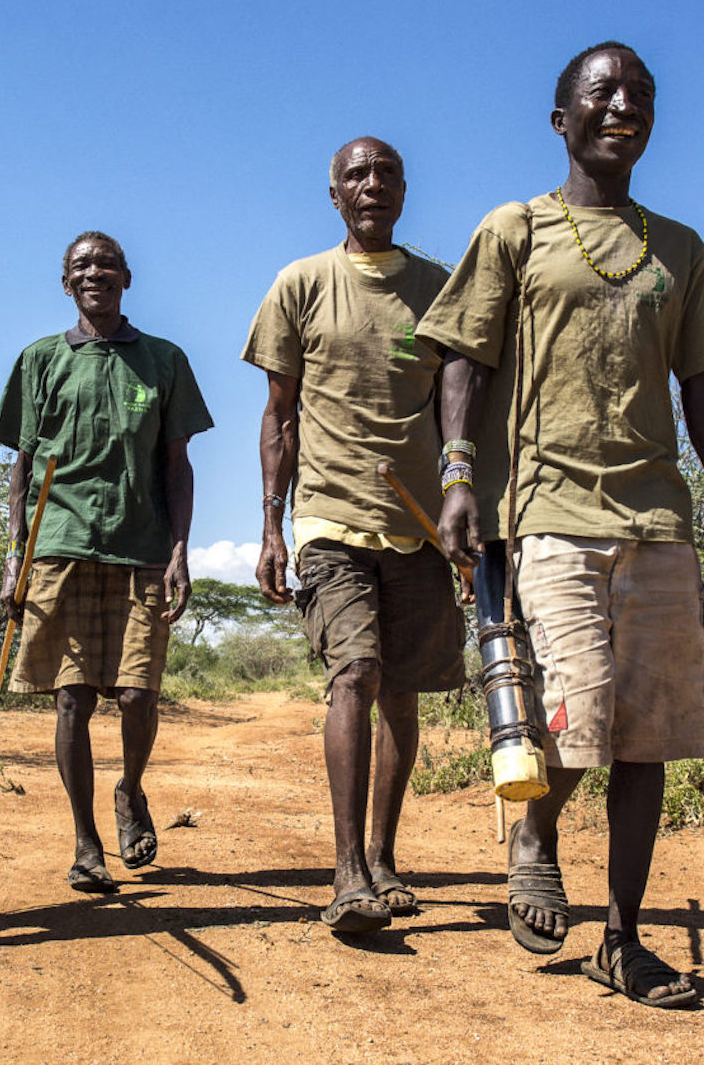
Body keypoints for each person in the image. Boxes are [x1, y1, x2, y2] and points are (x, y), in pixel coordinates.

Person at [422, 42, 704, 1006]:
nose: (624, 105)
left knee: (644, 737)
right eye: (602, 92)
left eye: (641, 94)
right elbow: (463, 362)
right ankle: (532, 832)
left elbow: (703, 384)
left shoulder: (678, 248)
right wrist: (456, 474)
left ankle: (623, 938)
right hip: (548, 512)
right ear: (560, 119)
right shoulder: (517, 230)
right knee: (577, 714)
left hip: (656, 517)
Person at [243, 137, 465, 935]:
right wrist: (271, 524)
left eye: (387, 174)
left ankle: (382, 857)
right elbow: (279, 414)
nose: (372, 185)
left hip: (418, 527)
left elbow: (458, 412)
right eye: (356, 176)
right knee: (358, 670)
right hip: (330, 515)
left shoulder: (439, 291)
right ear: (333, 194)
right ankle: (344, 875)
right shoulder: (299, 285)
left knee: (402, 690)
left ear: (404, 190)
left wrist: (465, 504)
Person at [0, 232, 212, 894]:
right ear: (67, 283)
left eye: (107, 264)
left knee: (139, 694)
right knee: (71, 701)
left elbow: (177, 466)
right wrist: (13, 558)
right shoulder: (38, 361)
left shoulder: (163, 360)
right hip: (57, 546)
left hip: (139, 548)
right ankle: (86, 843)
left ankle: (131, 789)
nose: (96, 273)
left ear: (127, 279)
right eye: (82, 265)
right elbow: (22, 469)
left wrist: (179, 549)